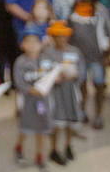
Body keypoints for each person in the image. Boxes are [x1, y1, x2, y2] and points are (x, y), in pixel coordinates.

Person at [68, 0, 110, 130]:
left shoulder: (100, 10)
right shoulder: (74, 10)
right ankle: (81, 112)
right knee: (81, 84)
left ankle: (98, 114)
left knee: (99, 84)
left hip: (97, 56)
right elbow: (69, 33)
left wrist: (108, 55)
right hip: (79, 56)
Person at [42, 21, 83, 165]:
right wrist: (53, 78)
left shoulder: (75, 52)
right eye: (57, 36)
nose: (61, 39)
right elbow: (43, 71)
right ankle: (53, 149)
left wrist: (74, 76)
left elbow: (81, 72)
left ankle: (68, 145)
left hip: (71, 92)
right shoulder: (47, 53)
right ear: (52, 37)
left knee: (69, 122)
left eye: (63, 36)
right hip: (55, 94)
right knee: (56, 123)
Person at [13, 30, 52, 171]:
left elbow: (51, 76)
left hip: (41, 101)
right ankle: (19, 147)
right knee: (26, 127)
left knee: (41, 127)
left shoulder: (45, 60)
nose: (32, 45)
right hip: (27, 100)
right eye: (28, 41)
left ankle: (39, 155)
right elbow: (18, 82)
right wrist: (31, 90)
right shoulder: (20, 62)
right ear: (22, 44)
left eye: (35, 41)